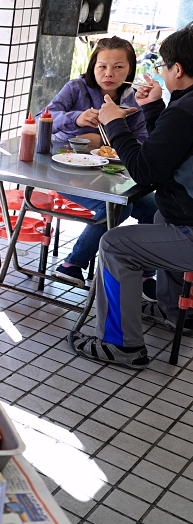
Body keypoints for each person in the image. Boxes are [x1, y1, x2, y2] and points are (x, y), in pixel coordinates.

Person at [69, 24, 193, 369]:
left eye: (164, 66)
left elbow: (144, 170)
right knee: (159, 215)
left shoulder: (185, 112)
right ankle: (175, 310)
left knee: (114, 244)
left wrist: (113, 124)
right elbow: (167, 152)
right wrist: (154, 109)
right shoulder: (184, 107)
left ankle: (122, 345)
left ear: (177, 70)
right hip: (183, 215)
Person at [47, 37, 159, 296]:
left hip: (112, 173)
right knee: (116, 208)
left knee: (154, 208)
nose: (109, 73)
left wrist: (103, 139)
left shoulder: (135, 101)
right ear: (92, 66)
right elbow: (46, 117)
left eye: (118, 67)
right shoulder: (76, 88)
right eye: (102, 66)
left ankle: (144, 274)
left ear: (130, 69)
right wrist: (77, 117)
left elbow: (142, 141)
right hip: (67, 168)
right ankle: (72, 263)